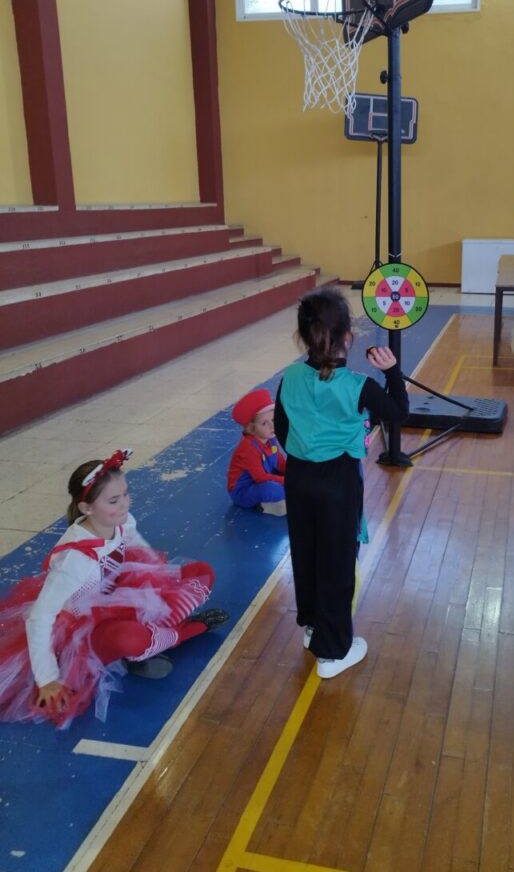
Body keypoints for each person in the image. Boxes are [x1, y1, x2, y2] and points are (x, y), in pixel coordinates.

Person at [0, 450, 229, 728]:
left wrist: (161, 582)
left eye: (125, 495)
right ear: (87, 508)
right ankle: (188, 630)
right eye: (113, 500)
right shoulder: (74, 561)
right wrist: (47, 678)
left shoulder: (119, 521)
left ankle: (152, 640)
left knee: (202, 572)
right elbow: (39, 618)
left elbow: (134, 542)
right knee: (130, 640)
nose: (124, 505)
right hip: (82, 627)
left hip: (119, 592)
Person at [274, 288, 409, 678]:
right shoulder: (358, 385)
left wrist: (307, 450)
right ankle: (333, 653)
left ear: (305, 337)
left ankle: (314, 625)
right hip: (337, 481)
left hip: (298, 479)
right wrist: (392, 371)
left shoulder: (290, 376)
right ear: (347, 336)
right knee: (336, 562)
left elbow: (283, 431)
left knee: (307, 550)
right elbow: (398, 412)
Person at [227, 388, 287, 516]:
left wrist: (294, 474)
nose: (272, 426)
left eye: (273, 420)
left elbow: (281, 463)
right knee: (271, 489)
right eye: (264, 423)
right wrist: (286, 480)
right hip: (243, 491)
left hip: (263, 481)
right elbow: (260, 478)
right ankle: (265, 505)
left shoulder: (270, 439)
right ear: (251, 428)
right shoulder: (248, 447)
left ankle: (280, 500)